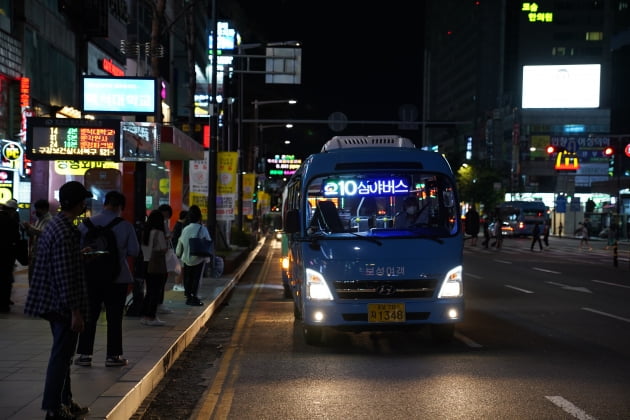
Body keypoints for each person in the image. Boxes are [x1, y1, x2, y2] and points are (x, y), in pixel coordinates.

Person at [24, 181, 92, 420]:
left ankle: (65, 401)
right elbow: (65, 276)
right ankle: (54, 409)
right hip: (61, 304)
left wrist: (77, 255)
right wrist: (75, 311)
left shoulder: (56, 226)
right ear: (77, 203)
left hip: (51, 300)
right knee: (61, 357)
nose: (86, 204)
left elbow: (59, 263)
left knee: (63, 355)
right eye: (84, 200)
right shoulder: (65, 231)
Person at [75, 191, 139, 368]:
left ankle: (85, 355)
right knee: (114, 318)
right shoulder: (125, 226)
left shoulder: (85, 224)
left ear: (104, 203)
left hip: (91, 277)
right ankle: (113, 356)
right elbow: (134, 251)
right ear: (120, 207)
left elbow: (78, 250)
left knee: (90, 316)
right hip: (117, 278)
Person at [176, 205, 210, 306]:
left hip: (186, 258)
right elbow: (208, 242)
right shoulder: (202, 229)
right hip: (198, 258)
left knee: (187, 277)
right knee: (196, 278)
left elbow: (180, 243)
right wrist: (208, 259)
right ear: (199, 217)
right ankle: (194, 297)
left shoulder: (186, 229)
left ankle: (188, 297)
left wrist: (178, 254)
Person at [140, 210, 169, 326]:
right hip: (156, 264)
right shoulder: (158, 233)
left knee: (149, 291)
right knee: (156, 291)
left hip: (146, 263)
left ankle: (145, 316)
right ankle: (151, 317)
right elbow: (163, 249)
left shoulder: (145, 232)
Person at [23, 199, 53, 283]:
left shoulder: (49, 220)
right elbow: (34, 233)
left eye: (37, 209)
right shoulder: (39, 219)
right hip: (35, 253)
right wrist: (27, 229)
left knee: (36, 280)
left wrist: (30, 226)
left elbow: (42, 233)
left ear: (44, 209)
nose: (36, 211)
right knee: (32, 277)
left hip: (41, 254)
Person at [0, 200, 20, 313]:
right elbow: (16, 238)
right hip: (7, 256)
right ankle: (4, 304)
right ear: (11, 210)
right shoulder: (12, 222)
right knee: (6, 279)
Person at [157, 204, 174, 313]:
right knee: (159, 282)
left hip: (159, 258)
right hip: (159, 258)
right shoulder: (159, 227)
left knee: (160, 282)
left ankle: (158, 304)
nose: (166, 217)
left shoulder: (162, 224)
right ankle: (158, 305)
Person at [170, 210, 188, 292]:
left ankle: (178, 284)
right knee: (180, 268)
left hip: (176, 250)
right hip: (179, 250)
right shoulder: (181, 226)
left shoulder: (178, 224)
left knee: (179, 268)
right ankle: (177, 285)